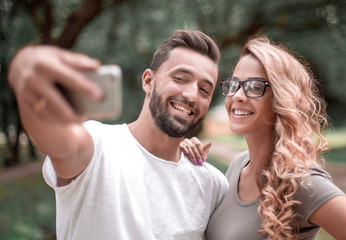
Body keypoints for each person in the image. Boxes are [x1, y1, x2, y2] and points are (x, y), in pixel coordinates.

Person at [8, 29, 228, 239]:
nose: (191, 94)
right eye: (180, 78)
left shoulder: (212, 184)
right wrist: (26, 81)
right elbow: (56, 140)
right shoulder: (97, 145)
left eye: (204, 90)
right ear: (148, 81)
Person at [180, 35, 346, 240]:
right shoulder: (238, 165)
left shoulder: (301, 181)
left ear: (281, 98)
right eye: (234, 85)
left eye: (255, 87)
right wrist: (187, 165)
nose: (238, 95)